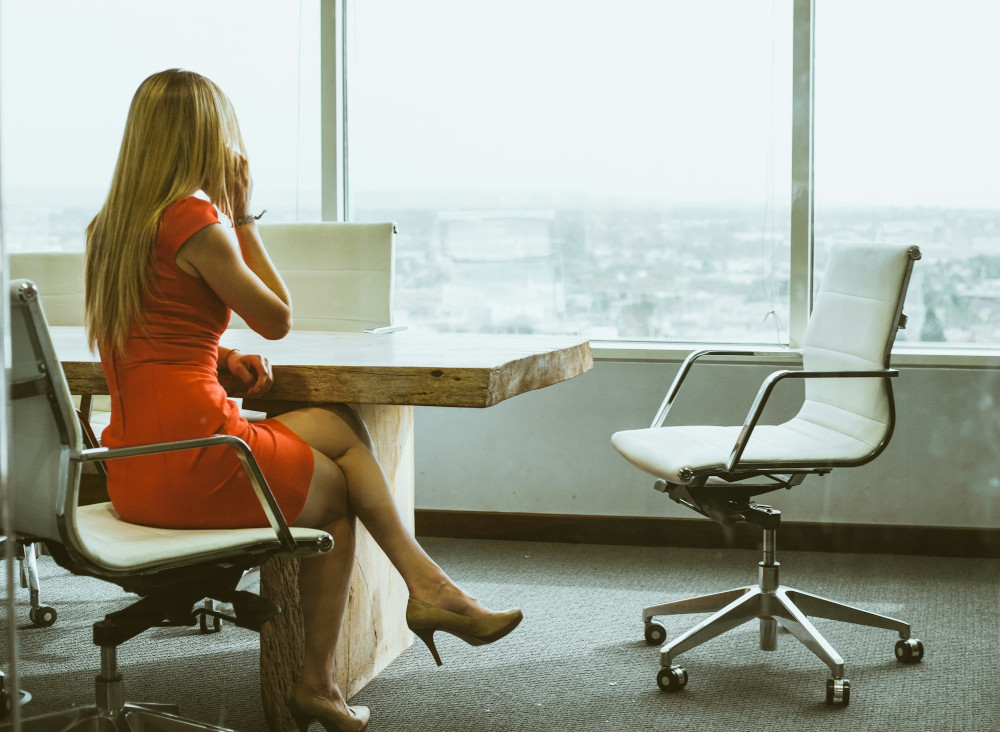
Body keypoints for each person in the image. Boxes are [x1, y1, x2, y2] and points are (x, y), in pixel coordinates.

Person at [83, 68, 521, 732]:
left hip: (135, 465)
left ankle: (428, 588)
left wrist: (222, 360)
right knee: (340, 500)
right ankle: (320, 681)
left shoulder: (107, 230)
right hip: (200, 459)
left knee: (340, 428)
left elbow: (143, 339)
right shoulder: (196, 220)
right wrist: (241, 216)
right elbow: (277, 318)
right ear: (205, 136)